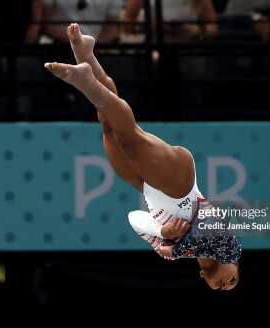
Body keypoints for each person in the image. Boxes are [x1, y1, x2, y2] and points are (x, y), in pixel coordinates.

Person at [44, 23, 241, 291]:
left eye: (221, 287)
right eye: (233, 279)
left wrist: (163, 234)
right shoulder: (229, 248)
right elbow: (209, 228)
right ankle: (85, 81)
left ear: (204, 280)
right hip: (178, 182)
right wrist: (172, 246)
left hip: (147, 186)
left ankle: (85, 53)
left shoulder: (173, 251)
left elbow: (134, 218)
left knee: (109, 126)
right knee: (130, 138)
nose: (225, 281)